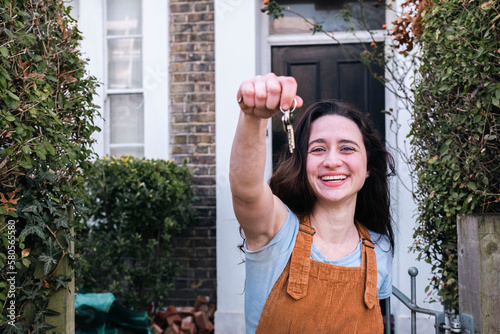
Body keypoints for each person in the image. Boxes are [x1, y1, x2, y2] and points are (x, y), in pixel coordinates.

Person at [229, 73, 395, 334]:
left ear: (368, 168)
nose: (331, 161)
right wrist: (254, 117)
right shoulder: (276, 232)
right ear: (302, 164)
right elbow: (246, 191)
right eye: (318, 149)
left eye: (347, 148)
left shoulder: (380, 250)